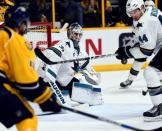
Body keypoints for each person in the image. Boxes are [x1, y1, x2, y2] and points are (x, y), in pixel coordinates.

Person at [0, 6, 61, 131]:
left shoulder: (2, 36)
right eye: (25, 23)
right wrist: (45, 98)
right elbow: (26, 81)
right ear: (20, 23)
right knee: (27, 117)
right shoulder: (14, 39)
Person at [115, 0, 162, 121]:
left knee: (150, 73)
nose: (132, 15)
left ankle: (159, 108)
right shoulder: (145, 13)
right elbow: (138, 39)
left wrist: (126, 52)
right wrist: (128, 49)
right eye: (130, 12)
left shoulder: (147, 22)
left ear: (142, 8)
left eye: (134, 12)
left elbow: (146, 51)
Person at [36, 22, 102, 106]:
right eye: (75, 34)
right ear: (70, 33)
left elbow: (88, 68)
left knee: (94, 98)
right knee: (53, 101)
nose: (78, 37)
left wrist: (93, 76)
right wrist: (49, 73)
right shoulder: (64, 44)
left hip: (65, 82)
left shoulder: (81, 49)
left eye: (80, 34)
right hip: (49, 82)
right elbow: (52, 51)